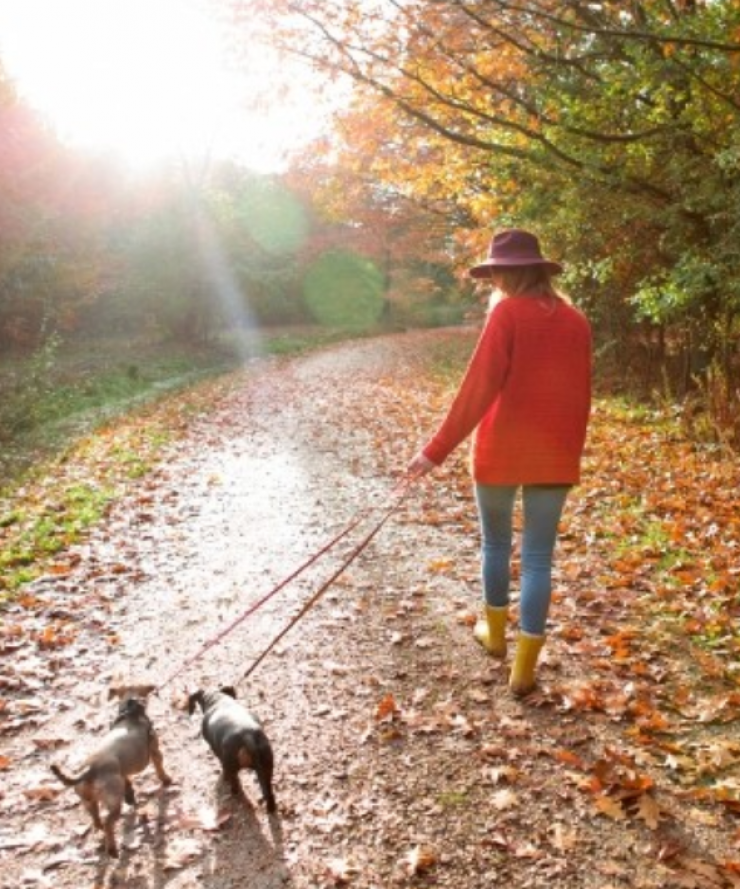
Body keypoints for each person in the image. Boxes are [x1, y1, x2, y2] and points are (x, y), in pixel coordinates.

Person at [407, 229, 592, 696]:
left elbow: (478, 389)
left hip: (500, 451)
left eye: (498, 274)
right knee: (537, 559)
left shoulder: (507, 315)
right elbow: (579, 398)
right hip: (553, 455)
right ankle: (524, 668)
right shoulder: (577, 322)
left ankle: (494, 637)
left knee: (495, 545)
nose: (497, 283)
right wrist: (569, 452)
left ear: (510, 275)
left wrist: (434, 451)